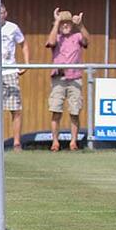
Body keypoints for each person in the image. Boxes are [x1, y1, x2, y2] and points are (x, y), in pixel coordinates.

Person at [45, 8, 90, 151]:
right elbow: (50, 42)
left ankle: (73, 142)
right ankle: (55, 142)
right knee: (56, 110)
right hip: (58, 78)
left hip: (75, 78)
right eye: (63, 23)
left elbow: (87, 40)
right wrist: (56, 22)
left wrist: (81, 25)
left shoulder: (77, 36)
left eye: (68, 23)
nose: (65, 26)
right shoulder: (56, 36)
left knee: (74, 112)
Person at [0, 4, 31, 151]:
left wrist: (26, 64)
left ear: (6, 13)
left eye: (2, 12)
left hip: (10, 71)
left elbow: (23, 44)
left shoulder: (13, 27)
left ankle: (17, 142)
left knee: (15, 108)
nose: (0, 15)